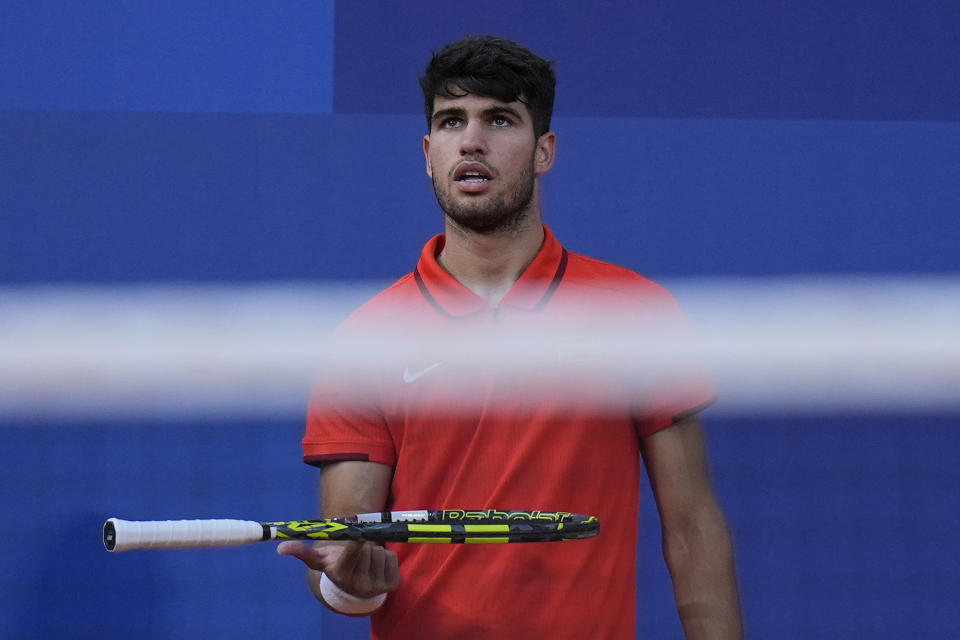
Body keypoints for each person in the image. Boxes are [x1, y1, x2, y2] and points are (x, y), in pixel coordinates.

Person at [279, 36, 743, 639]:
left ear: (544, 150)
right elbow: (346, 548)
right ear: (428, 153)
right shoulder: (369, 339)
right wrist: (348, 580)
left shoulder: (634, 311)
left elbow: (692, 530)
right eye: (451, 121)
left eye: (499, 119)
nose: (472, 140)